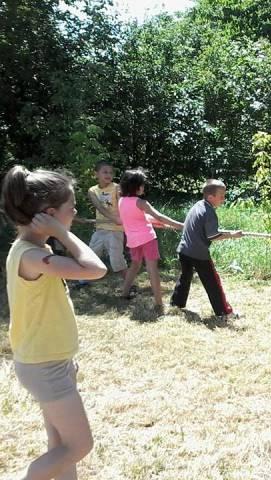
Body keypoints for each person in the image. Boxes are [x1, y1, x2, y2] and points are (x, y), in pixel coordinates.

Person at [1, 165, 107, 479]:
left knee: (60, 444)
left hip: (50, 361)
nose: (74, 212)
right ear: (49, 214)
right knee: (79, 445)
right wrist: (63, 233)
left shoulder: (34, 250)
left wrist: (57, 232)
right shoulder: (31, 256)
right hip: (44, 366)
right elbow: (96, 269)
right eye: (70, 207)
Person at [170, 179, 242, 320]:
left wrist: (226, 233)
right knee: (213, 283)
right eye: (221, 196)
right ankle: (224, 313)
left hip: (184, 250)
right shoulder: (209, 212)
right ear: (210, 197)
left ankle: (176, 304)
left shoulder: (197, 205)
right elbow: (213, 236)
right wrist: (232, 235)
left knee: (185, 277)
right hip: (199, 254)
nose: (223, 199)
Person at [118, 168, 183, 313]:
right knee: (152, 269)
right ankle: (159, 304)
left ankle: (124, 293)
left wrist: (156, 222)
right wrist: (181, 225)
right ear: (135, 186)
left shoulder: (121, 201)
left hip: (133, 240)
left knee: (134, 265)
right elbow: (159, 216)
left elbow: (137, 217)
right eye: (142, 184)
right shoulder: (141, 202)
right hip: (148, 238)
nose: (143, 187)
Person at [76, 161, 128, 288]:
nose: (108, 175)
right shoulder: (92, 190)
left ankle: (129, 283)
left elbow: (122, 204)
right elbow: (99, 206)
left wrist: (122, 218)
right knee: (91, 254)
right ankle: (83, 280)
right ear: (96, 174)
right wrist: (113, 218)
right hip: (100, 229)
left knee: (116, 259)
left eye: (110, 172)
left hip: (115, 230)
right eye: (105, 172)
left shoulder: (117, 188)